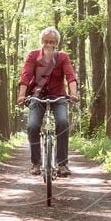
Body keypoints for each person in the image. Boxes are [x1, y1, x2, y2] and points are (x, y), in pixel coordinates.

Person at [17, 27, 77, 177]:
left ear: (57, 43)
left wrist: (73, 93)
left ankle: (62, 164)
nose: (49, 45)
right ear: (41, 42)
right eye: (46, 42)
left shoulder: (62, 57)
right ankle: (36, 163)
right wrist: (22, 95)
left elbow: (70, 76)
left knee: (63, 122)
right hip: (37, 96)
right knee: (33, 126)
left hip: (58, 97)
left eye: (52, 42)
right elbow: (26, 75)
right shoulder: (33, 55)